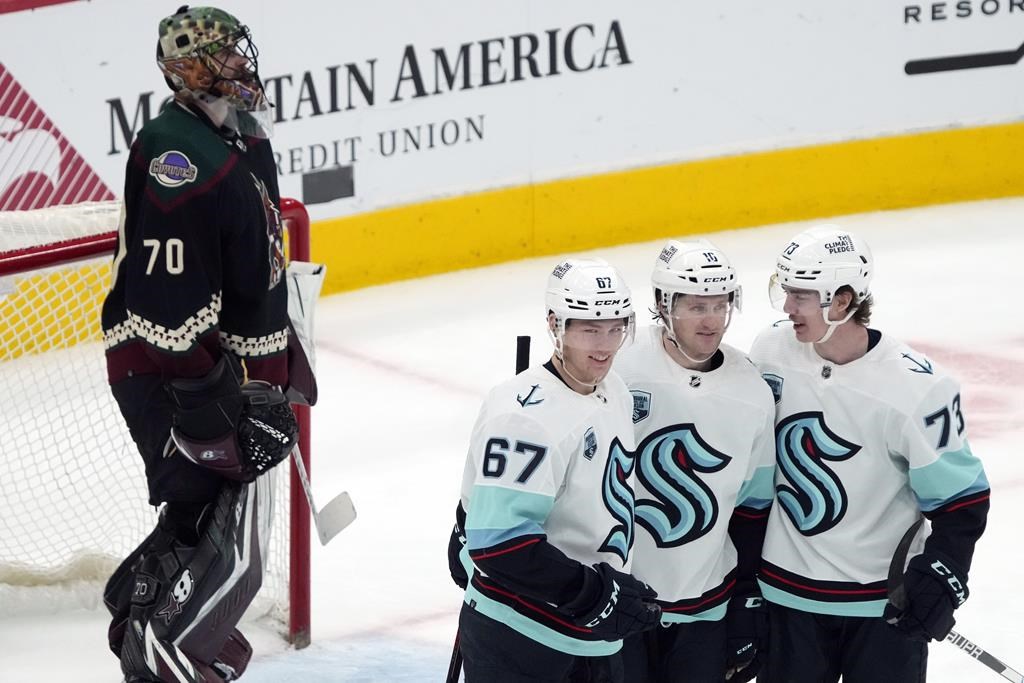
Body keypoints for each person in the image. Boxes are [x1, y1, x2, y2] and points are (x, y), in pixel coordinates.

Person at [99, 6, 309, 682]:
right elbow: (164, 302)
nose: (243, 66)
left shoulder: (244, 136)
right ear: (190, 69)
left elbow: (260, 272)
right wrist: (206, 399)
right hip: (168, 369)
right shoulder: (174, 155)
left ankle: (140, 601)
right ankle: (161, 653)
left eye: (241, 53)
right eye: (226, 57)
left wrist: (276, 367)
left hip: (222, 369)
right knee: (232, 549)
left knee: (206, 515)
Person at [749, 224, 990, 682]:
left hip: (883, 607)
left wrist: (943, 575)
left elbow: (962, 503)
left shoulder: (917, 389)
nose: (787, 307)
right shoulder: (770, 351)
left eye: (801, 295)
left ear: (842, 301)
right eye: (786, 291)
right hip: (787, 599)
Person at [449, 257, 661, 683]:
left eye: (616, 327)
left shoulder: (613, 389)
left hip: (590, 637)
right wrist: (594, 593)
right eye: (589, 328)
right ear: (555, 324)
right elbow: (500, 547)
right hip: (521, 638)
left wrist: (600, 597)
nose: (605, 345)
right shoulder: (525, 418)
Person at [613, 240, 776, 683]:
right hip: (618, 602)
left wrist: (746, 599)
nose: (711, 321)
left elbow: (751, 509)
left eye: (720, 305)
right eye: (696, 306)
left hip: (704, 606)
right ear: (664, 306)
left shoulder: (752, 392)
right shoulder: (617, 368)